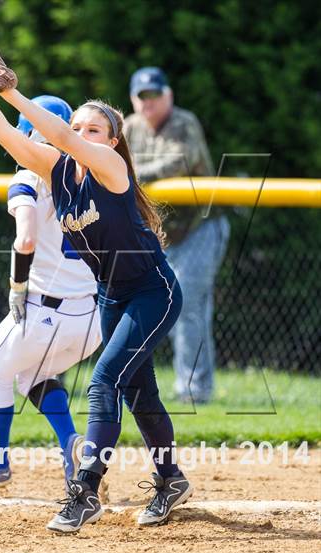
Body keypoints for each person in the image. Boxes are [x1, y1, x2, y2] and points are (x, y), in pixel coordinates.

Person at [0, 42, 193, 533]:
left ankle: (84, 491)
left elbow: (51, 131)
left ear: (112, 142)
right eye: (76, 127)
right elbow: (5, 134)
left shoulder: (110, 169)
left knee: (103, 383)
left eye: (92, 129)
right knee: (140, 391)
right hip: (111, 297)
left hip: (152, 292)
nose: (79, 134)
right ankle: (171, 478)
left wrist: (10, 89)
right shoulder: (55, 172)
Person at [0, 95, 102, 487]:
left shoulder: (28, 176)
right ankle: (71, 444)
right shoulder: (92, 176)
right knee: (33, 374)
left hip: (43, 313)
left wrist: (16, 287)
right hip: (91, 320)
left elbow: (24, 240)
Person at [124, 67, 230, 404]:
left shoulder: (185, 122)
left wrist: (131, 173)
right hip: (159, 235)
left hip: (200, 227)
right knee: (147, 305)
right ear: (134, 100)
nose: (149, 102)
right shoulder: (129, 127)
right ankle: (135, 384)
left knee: (187, 307)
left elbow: (179, 163)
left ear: (168, 96)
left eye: (156, 95)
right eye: (143, 97)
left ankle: (193, 392)